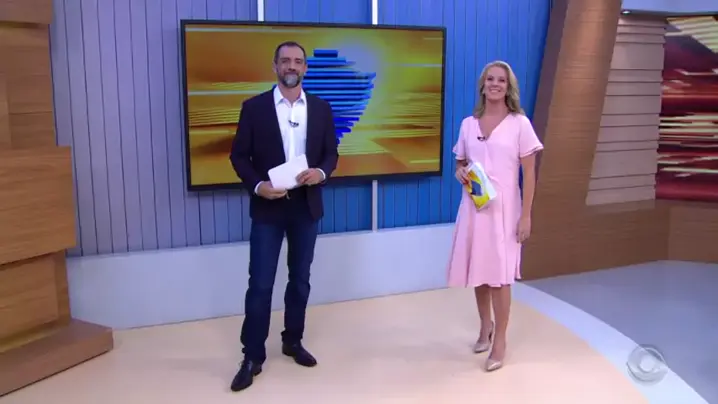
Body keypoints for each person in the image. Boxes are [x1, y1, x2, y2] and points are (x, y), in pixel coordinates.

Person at [228, 41, 339, 392]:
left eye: (298, 61)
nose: (292, 66)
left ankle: (292, 340)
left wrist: (320, 173)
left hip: (306, 207)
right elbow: (238, 156)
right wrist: (258, 185)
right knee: (261, 284)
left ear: (305, 68)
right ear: (275, 66)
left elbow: (331, 154)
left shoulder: (321, 108)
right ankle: (252, 356)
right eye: (286, 60)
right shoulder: (254, 108)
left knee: (300, 280)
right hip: (268, 208)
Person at [447, 60, 543, 372]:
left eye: (501, 80)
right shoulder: (468, 124)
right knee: (481, 271)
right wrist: (460, 172)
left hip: (506, 212)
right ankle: (485, 327)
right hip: (476, 209)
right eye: (490, 79)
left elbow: (529, 174)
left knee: (501, 276)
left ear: (508, 86)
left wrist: (526, 216)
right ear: (483, 85)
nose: (495, 84)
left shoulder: (519, 124)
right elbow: (460, 162)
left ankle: (500, 340)